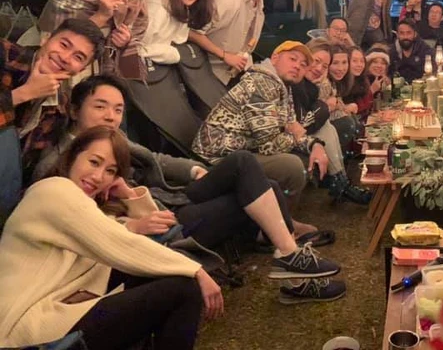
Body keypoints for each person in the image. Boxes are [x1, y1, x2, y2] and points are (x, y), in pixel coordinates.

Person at [33, 75, 344, 302]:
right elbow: (78, 224)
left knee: (246, 168)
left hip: (170, 197)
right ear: (74, 110)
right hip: (162, 224)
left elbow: (157, 159)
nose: (110, 116)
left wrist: (195, 169)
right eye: (100, 107)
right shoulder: (59, 163)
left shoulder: (115, 139)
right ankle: (294, 271)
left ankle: (289, 257)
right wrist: (131, 224)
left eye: (117, 110)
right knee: (264, 186)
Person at [0, 126, 221, 349]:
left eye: (110, 171)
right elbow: (123, 245)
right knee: (182, 290)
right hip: (24, 326)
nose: (98, 177)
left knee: (159, 274)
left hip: (58, 309)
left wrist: (129, 195)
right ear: (74, 155)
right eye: (94, 162)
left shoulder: (86, 208)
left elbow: (155, 234)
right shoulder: (54, 191)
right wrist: (196, 270)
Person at [192, 41, 327, 202]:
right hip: (216, 158)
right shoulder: (261, 84)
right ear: (275, 58)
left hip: (242, 151)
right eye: (292, 59)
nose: (297, 66)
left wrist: (314, 145)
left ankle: (277, 212)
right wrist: (294, 136)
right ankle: (278, 216)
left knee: (302, 156)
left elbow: (291, 127)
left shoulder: (284, 88)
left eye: (303, 64)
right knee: (293, 166)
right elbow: (269, 145)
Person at [1, 18, 105, 184]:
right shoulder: (4, 54)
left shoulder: (59, 111)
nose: (65, 58)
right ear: (46, 39)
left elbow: (23, 170)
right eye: (64, 45)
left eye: (78, 57)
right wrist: (24, 93)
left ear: (82, 69)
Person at [294, 40, 370, 204]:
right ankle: (340, 182)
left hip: (312, 128)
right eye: (316, 61)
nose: (318, 68)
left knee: (342, 124)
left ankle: (340, 180)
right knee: (343, 125)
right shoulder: (301, 83)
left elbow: (363, 99)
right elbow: (305, 120)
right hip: (295, 135)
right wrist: (327, 106)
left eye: (324, 66)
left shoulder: (314, 84)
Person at [188, 0, 277, 85]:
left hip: (229, 76)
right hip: (203, 72)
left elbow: (247, 47)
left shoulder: (259, 9)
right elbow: (192, 32)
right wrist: (225, 55)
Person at [140, 0, 214, 65]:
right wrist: (173, 54)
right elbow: (138, 49)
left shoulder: (180, 3)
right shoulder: (156, 10)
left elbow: (178, 38)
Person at [343, 46, 374, 119]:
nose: (359, 65)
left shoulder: (363, 81)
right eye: (355, 61)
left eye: (362, 61)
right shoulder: (342, 85)